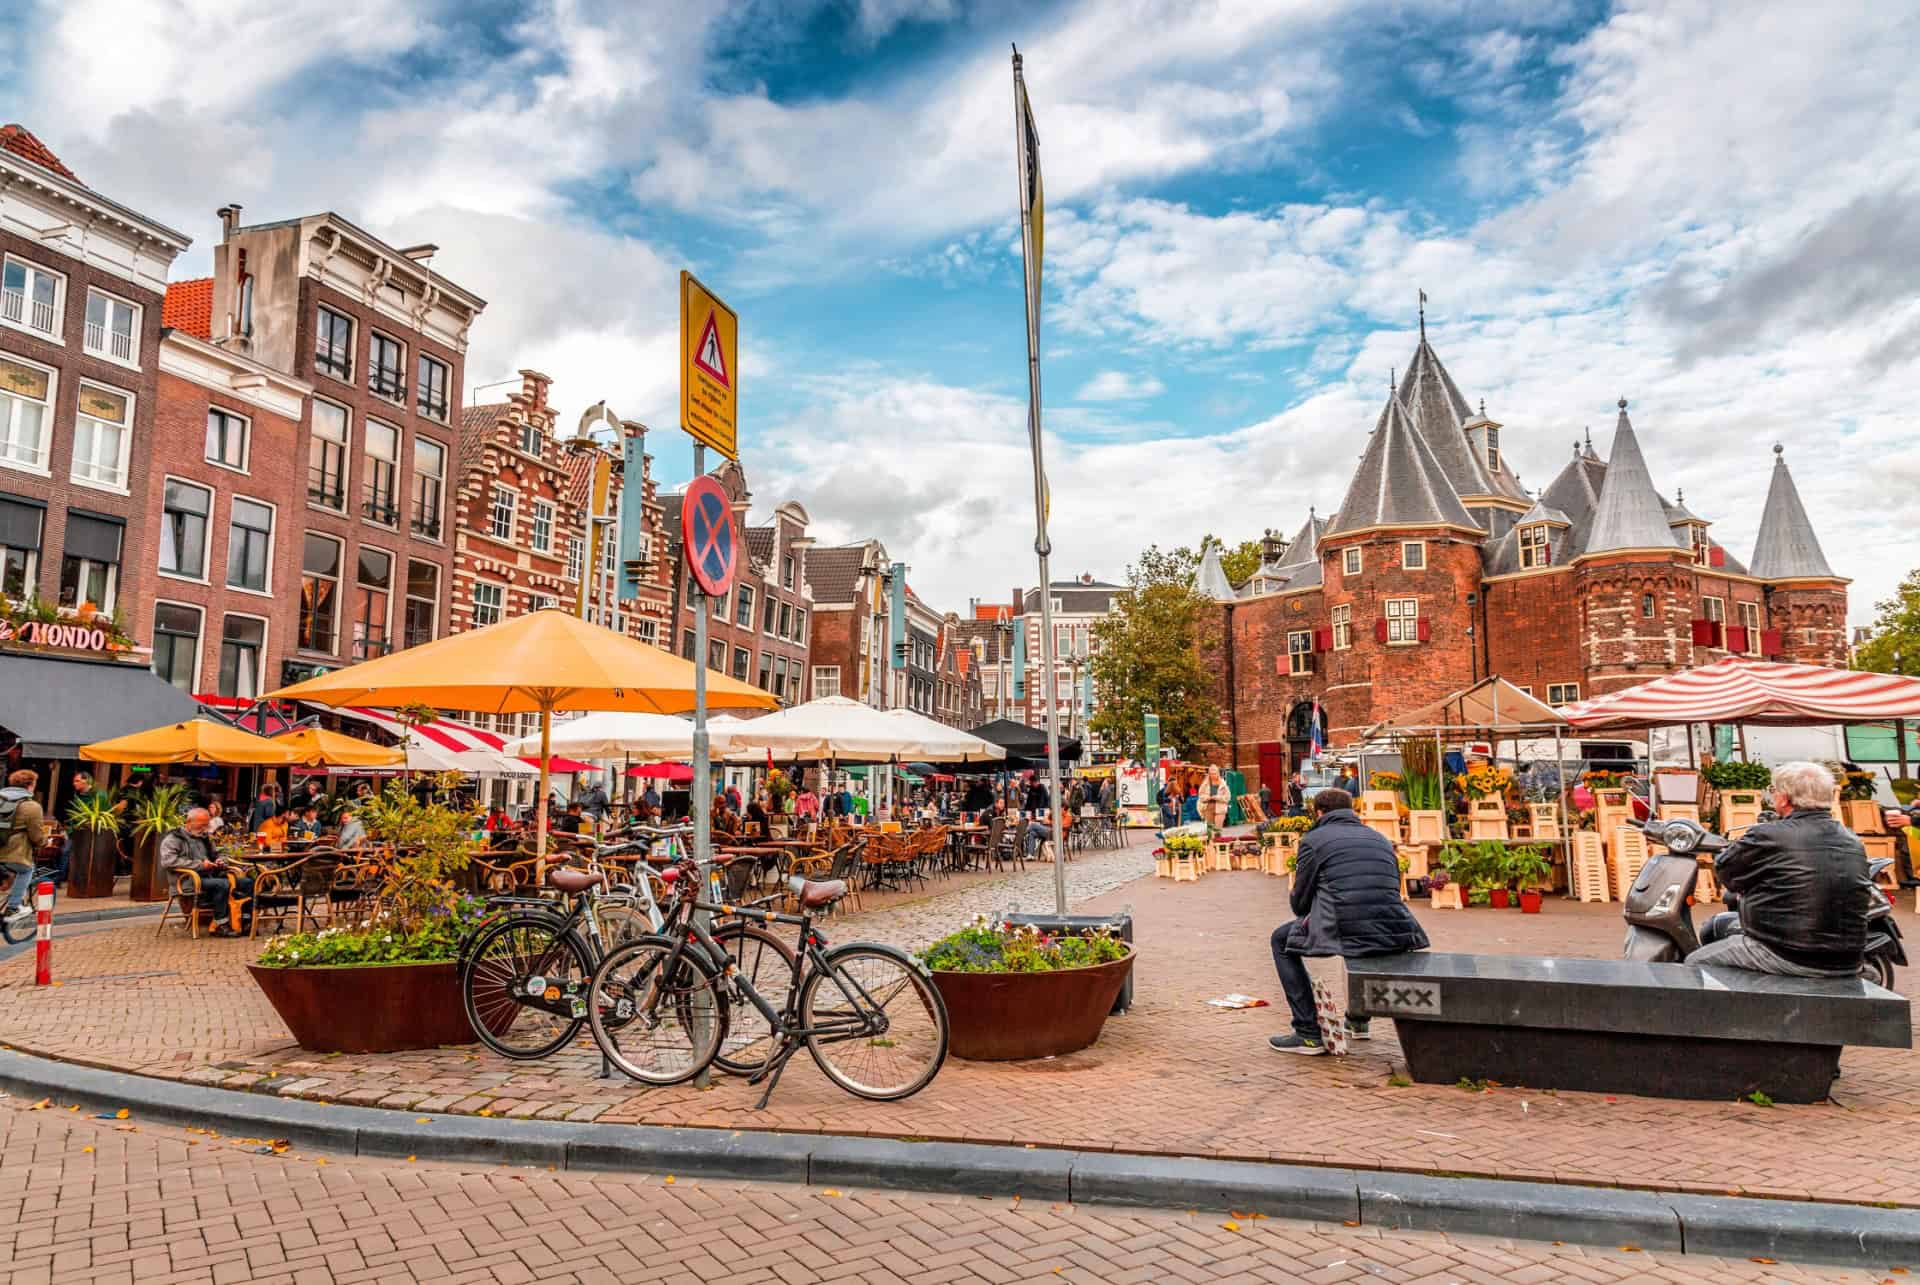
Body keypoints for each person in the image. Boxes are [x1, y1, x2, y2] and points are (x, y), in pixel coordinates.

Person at [1268, 788, 1430, 1054]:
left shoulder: (1314, 840)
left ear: (1319, 813)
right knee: (1363, 938)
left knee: (1281, 940)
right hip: (1395, 924)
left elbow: (1300, 903)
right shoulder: (1379, 838)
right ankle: (1357, 1020)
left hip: (1345, 923)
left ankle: (1307, 1033)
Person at [1688, 761, 1872, 978]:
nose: (1773, 796)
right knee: (1723, 927)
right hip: (1849, 957)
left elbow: (1727, 873)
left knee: (1693, 963)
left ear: (1784, 798)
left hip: (1789, 952)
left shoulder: (1768, 835)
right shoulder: (1852, 839)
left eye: (1774, 791)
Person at [161, 807, 254, 935]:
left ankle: (245, 922)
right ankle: (220, 925)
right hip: (187, 880)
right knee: (222, 884)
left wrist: (220, 861)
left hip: (208, 877)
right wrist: (200, 865)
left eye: (207, 824)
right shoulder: (173, 839)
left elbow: (217, 854)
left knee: (247, 882)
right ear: (189, 822)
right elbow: (168, 862)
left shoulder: (203, 837)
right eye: (202, 825)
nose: (205, 828)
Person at [1, 769, 48, 935]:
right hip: (13, 854)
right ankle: (13, 907)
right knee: (26, 870)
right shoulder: (31, 806)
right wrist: (44, 842)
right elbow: (36, 835)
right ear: (30, 785)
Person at [1198, 765, 1232, 830]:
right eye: (1211, 774)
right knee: (1210, 829)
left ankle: (1218, 839)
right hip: (1208, 807)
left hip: (1220, 807)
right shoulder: (1205, 784)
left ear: (1218, 773)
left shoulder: (1223, 784)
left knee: (1218, 829)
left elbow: (1228, 797)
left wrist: (1218, 797)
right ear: (1209, 774)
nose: (1213, 775)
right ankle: (1211, 839)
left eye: (1215, 773)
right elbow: (1200, 796)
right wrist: (1207, 797)